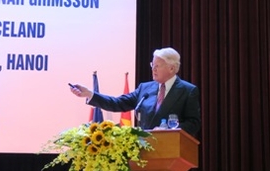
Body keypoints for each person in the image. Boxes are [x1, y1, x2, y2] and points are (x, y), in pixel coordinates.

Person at [69, 47, 201, 137]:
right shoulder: (145, 88)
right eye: (152, 65)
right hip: (143, 151)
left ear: (171, 68)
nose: (153, 69)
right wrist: (90, 94)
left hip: (171, 150)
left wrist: (168, 130)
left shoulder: (188, 91)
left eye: (157, 66)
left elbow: (193, 124)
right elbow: (118, 103)